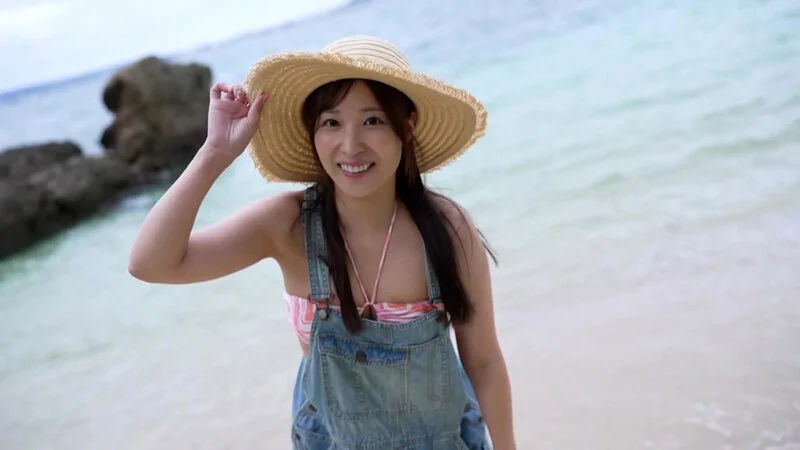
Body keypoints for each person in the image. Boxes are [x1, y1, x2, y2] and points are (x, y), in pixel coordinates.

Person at [129, 35, 515, 449]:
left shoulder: (446, 228)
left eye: (372, 120)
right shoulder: (288, 225)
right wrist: (215, 154)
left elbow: (483, 362)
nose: (351, 146)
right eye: (331, 123)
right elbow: (151, 263)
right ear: (312, 133)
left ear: (406, 126)